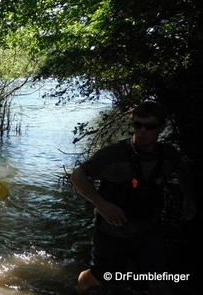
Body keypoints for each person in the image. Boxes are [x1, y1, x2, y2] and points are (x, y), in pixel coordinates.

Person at [70, 101, 195, 294]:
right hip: (112, 229)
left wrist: (189, 199)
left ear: (161, 128)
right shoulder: (114, 154)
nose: (142, 131)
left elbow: (183, 172)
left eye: (149, 126)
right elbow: (78, 176)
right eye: (137, 125)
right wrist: (101, 204)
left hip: (149, 226)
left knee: (158, 281)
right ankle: (81, 284)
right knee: (100, 277)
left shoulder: (168, 155)